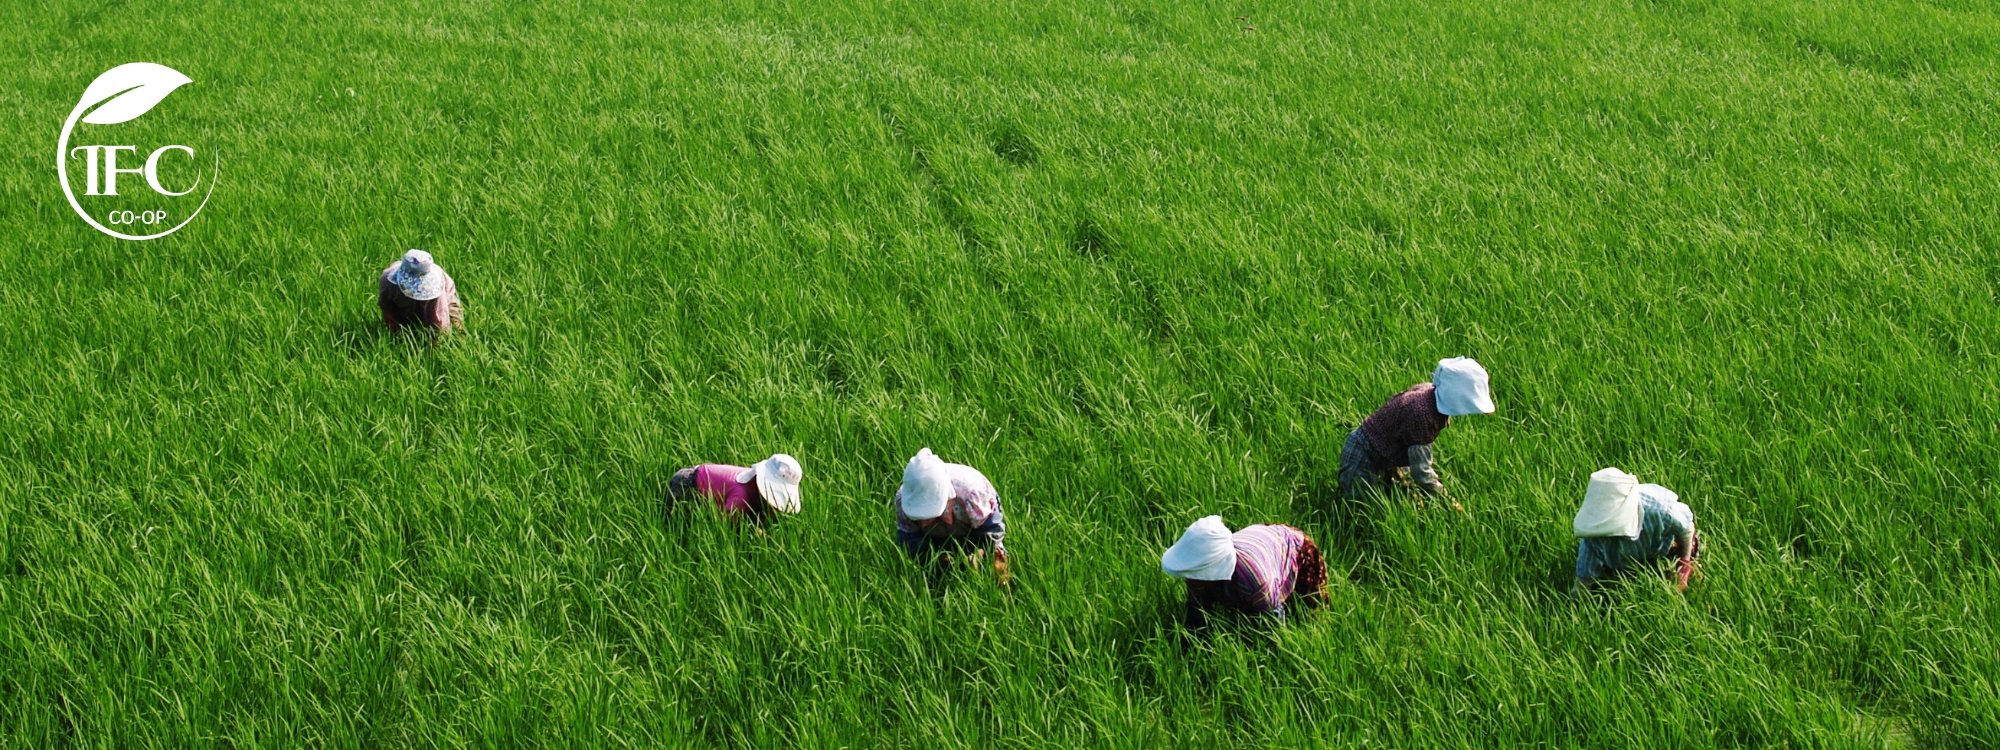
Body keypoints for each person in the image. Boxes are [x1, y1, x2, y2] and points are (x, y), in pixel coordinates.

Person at [1336, 357, 1496, 508]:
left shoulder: (1431, 393)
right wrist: (1449, 502)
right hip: (1363, 455)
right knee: (1364, 509)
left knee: (1407, 503)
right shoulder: (1422, 414)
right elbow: (1422, 473)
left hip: (1392, 458)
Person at [1160, 515, 1328, 631]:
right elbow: (1196, 614)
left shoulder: (1254, 580)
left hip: (1294, 547)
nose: (1192, 580)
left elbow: (1272, 624)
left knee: (1306, 609)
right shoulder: (1196, 569)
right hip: (1259, 539)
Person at [1571, 467, 1700, 593]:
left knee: (1688, 548)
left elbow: (1686, 529)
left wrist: (1683, 565)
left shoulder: (1659, 512)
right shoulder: (1594, 539)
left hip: (1661, 545)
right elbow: (1582, 584)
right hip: (1619, 562)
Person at [893, 448, 1009, 585]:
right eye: (919, 518)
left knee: (994, 561)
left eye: (928, 516)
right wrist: (931, 557)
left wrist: (980, 553)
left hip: (974, 523)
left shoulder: (971, 493)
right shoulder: (904, 501)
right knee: (931, 569)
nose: (923, 524)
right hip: (936, 537)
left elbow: (991, 529)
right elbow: (908, 538)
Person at [665, 454, 803, 523]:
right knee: (679, 523)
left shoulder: (752, 480)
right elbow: (724, 525)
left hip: (696, 474)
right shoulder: (741, 497)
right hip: (687, 485)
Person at [378, 249, 464, 332]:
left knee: (455, 328)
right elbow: (387, 308)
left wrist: (435, 343)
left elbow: (439, 324)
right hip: (403, 302)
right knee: (406, 322)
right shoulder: (387, 280)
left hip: (445, 299)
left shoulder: (436, 289)